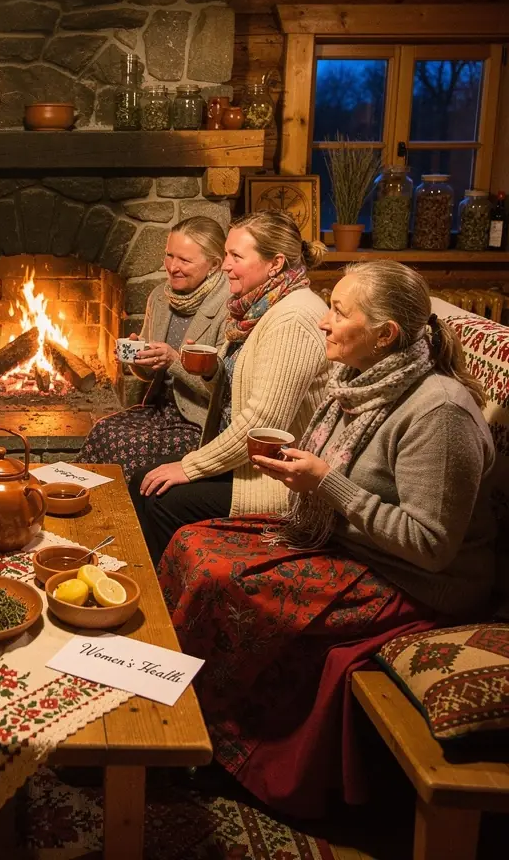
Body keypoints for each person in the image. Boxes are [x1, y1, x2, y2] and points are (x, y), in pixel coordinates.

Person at [161, 260, 496, 818]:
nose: (323, 322)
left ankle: (222, 750)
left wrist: (326, 484)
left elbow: (431, 545)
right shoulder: (361, 381)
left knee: (223, 579)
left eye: (339, 312)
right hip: (350, 544)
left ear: (384, 334)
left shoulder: (439, 412)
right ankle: (179, 715)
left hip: (416, 581)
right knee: (194, 542)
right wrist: (303, 472)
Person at [129, 211, 331, 569]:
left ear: (275, 263)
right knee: (141, 481)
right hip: (245, 463)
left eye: (237, 257)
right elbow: (234, 384)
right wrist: (208, 371)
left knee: (161, 499)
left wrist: (189, 467)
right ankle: (142, 583)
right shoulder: (255, 308)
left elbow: (260, 422)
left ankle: (168, 602)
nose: (225, 267)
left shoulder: (293, 318)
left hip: (276, 478)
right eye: (226, 255)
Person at [76, 216, 230, 482]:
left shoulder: (228, 307)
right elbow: (148, 375)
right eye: (169, 255)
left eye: (185, 260)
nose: (172, 267)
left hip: (198, 420)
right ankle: (78, 501)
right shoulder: (160, 297)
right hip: (159, 409)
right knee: (102, 431)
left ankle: (125, 516)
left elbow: (222, 386)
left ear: (214, 265)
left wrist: (174, 360)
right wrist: (138, 359)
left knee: (125, 446)